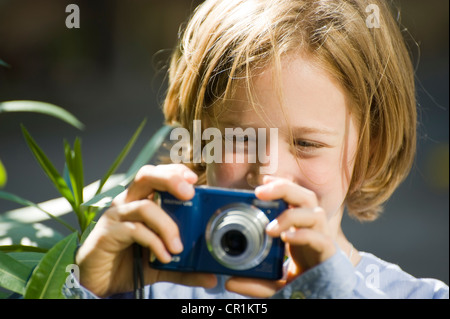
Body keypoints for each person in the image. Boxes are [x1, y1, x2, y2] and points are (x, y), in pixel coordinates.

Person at [66, 0, 449, 299]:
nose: (267, 173)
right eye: (239, 139)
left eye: (306, 144)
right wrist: (87, 289)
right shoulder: (141, 284)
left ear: (370, 149)